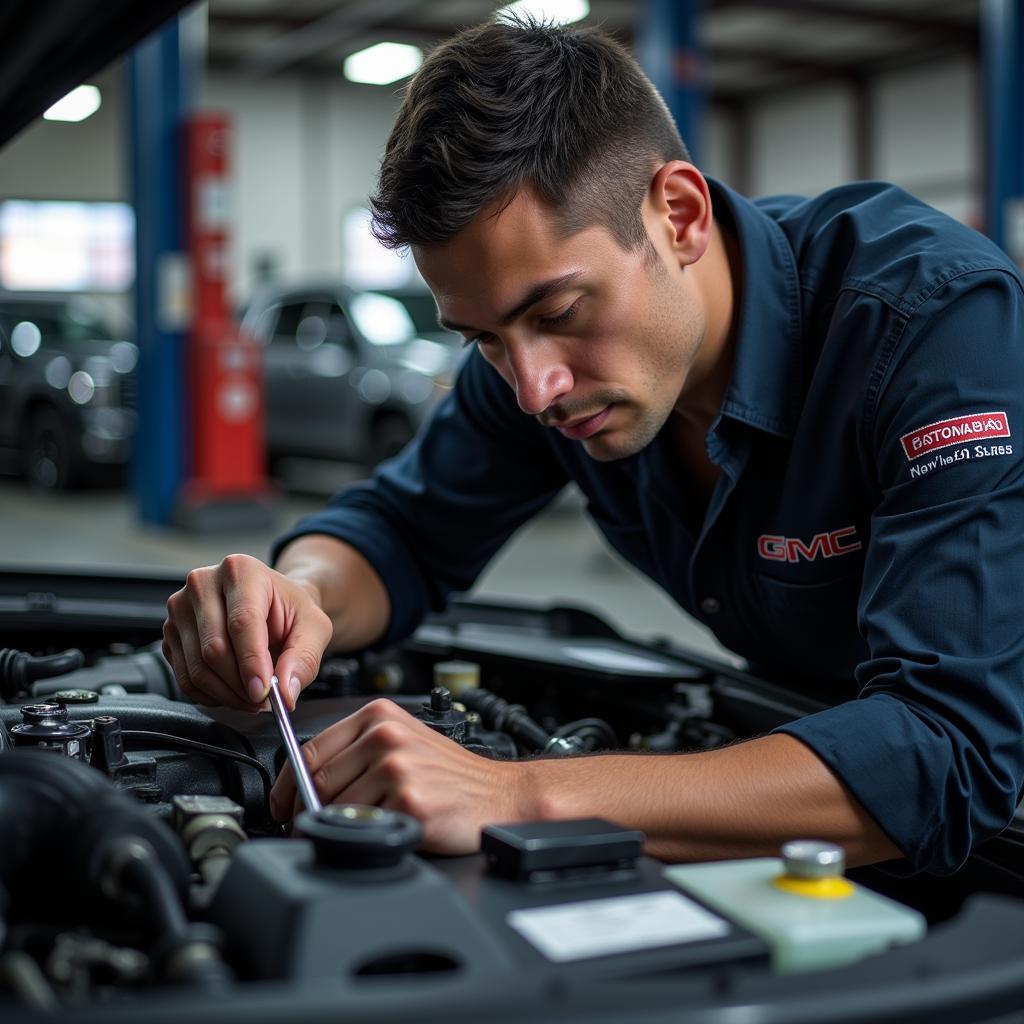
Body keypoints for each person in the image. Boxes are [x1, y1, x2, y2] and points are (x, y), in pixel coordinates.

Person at [162, 17, 1024, 875]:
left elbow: (947, 748)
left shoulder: (934, 327)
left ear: (678, 216)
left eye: (560, 314)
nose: (533, 387)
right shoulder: (543, 368)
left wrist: (518, 795)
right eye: (484, 340)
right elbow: (403, 532)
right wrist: (297, 597)